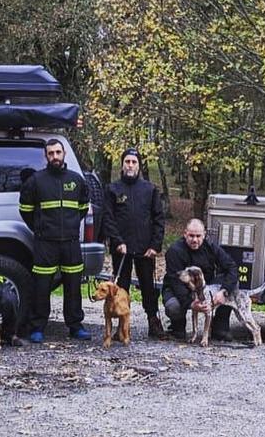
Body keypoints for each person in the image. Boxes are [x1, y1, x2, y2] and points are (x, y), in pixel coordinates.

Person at [18, 139, 91, 343]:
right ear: (45, 156)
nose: (55, 157)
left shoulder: (77, 180)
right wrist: (40, 229)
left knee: (73, 286)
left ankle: (75, 326)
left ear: (64, 153)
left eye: (58, 152)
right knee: (41, 286)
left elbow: (83, 208)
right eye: (51, 153)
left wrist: (70, 225)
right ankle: (38, 327)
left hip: (70, 242)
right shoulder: (36, 181)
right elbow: (25, 211)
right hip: (45, 243)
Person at [102, 148, 166, 339]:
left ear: (139, 165)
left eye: (134, 162)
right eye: (127, 161)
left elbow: (159, 219)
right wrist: (117, 241)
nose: (130, 165)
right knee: (120, 288)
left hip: (145, 249)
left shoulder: (150, 189)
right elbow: (108, 218)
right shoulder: (112, 189)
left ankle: (153, 322)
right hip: (121, 249)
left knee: (148, 287)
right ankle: (121, 328)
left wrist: (155, 245)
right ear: (122, 164)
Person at [161, 219, 238, 341]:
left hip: (205, 287)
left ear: (204, 235)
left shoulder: (211, 247)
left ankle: (220, 327)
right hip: (179, 289)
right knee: (173, 306)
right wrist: (190, 304)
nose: (195, 240)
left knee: (232, 283)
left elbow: (232, 268)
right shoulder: (174, 251)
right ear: (185, 234)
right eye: (191, 236)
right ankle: (178, 327)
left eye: (198, 236)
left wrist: (223, 292)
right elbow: (175, 282)